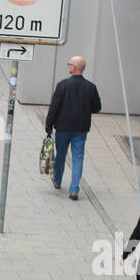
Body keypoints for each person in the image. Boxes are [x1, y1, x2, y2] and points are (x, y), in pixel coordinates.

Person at [45, 56, 101, 200]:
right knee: (78, 157)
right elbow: (97, 107)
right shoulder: (91, 87)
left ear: (74, 67)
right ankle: (74, 189)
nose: (68, 66)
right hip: (81, 128)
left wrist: (48, 125)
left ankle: (57, 180)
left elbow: (54, 107)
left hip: (63, 127)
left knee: (61, 154)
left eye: (69, 64)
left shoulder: (63, 85)